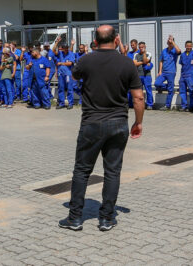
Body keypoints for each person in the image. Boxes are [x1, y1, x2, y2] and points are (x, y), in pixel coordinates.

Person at [58, 25, 144, 232]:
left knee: (82, 171)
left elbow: (76, 75)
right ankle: (106, 219)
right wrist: (138, 122)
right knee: (112, 172)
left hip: (91, 123)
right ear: (116, 40)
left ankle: (75, 218)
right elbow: (138, 97)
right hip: (118, 123)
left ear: (95, 41)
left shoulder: (86, 60)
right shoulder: (127, 63)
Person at [153, 36, 181, 110]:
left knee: (170, 90)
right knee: (157, 83)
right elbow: (161, 61)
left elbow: (179, 51)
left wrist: (173, 42)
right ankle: (169, 87)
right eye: (168, 42)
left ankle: (167, 106)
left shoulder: (175, 50)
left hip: (171, 72)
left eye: (171, 42)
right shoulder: (164, 51)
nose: (169, 43)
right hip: (164, 72)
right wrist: (160, 71)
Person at [177, 41, 193, 113]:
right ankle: (184, 106)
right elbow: (181, 64)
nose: (189, 47)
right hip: (183, 75)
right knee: (182, 91)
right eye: (187, 46)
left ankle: (192, 106)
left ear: (192, 46)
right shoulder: (182, 55)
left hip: (191, 76)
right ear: (185, 46)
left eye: (190, 46)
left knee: (191, 91)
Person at [133, 42, 154, 110]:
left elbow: (145, 60)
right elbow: (135, 64)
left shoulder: (148, 54)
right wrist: (143, 62)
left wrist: (144, 53)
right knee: (139, 91)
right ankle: (140, 105)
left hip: (146, 76)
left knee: (148, 90)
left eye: (142, 47)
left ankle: (149, 104)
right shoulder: (136, 54)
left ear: (145, 47)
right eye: (140, 47)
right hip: (138, 75)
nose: (141, 48)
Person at [54, 43, 75, 109]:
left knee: (69, 89)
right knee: (61, 88)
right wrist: (56, 42)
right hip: (61, 74)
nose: (65, 49)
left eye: (66, 47)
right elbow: (53, 51)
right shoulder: (60, 53)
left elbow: (70, 63)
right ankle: (61, 103)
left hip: (68, 74)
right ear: (62, 48)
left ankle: (70, 103)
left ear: (67, 48)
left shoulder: (71, 54)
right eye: (64, 48)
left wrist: (61, 63)